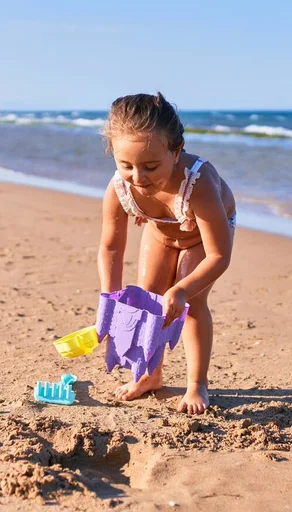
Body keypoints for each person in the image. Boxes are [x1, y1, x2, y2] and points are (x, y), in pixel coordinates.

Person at [98, 92, 236, 415]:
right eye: (126, 165)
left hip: (204, 238)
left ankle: (196, 383)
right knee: (151, 297)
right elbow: (111, 247)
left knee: (190, 303)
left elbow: (220, 255)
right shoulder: (120, 188)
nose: (139, 177)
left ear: (176, 152)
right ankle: (151, 375)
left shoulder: (197, 182)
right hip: (163, 230)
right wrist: (110, 300)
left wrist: (183, 289)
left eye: (150, 166)